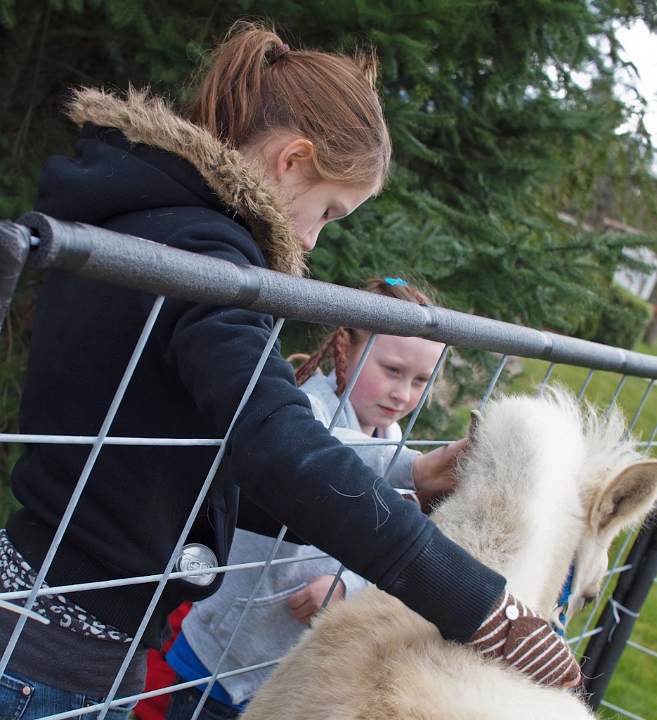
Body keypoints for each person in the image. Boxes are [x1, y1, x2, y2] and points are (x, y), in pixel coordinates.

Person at [0, 21, 579, 720]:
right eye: (329, 211)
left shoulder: (144, 223)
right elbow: (280, 447)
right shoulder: (210, 257)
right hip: (57, 665)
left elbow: (193, 469)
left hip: (45, 620)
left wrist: (406, 477)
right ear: (291, 159)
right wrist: (484, 606)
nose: (309, 240)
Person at [163, 278, 464, 720]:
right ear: (345, 348)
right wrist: (410, 467)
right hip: (222, 662)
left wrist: (348, 585)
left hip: (291, 669)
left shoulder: (391, 439)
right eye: (393, 370)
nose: (403, 394)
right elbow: (326, 454)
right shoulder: (302, 411)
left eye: (420, 380)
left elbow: (391, 535)